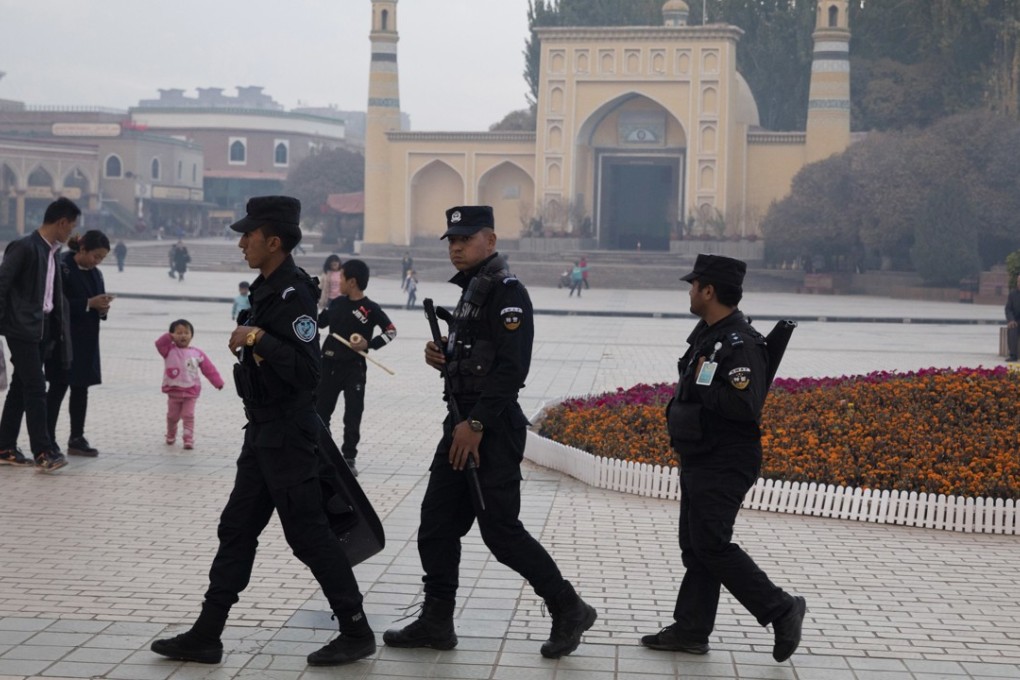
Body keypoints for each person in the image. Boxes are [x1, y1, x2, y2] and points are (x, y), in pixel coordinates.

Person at [150, 196, 376, 667]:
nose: (241, 243)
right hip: (263, 432)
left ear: (274, 241)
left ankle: (356, 630)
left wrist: (257, 338)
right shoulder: (265, 289)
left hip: (290, 435)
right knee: (236, 529)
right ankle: (206, 634)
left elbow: (307, 370)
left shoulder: (293, 294)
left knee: (309, 535)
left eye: (248, 235)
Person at [383, 205, 596, 659]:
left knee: (501, 532)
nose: (457, 247)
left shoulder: (507, 292)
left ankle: (568, 607)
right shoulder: (472, 293)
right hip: (459, 425)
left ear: (491, 241)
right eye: (452, 241)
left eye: (466, 239)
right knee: (436, 524)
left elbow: (511, 369)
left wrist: (477, 424)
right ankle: (437, 620)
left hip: (489, 430)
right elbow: (478, 357)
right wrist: (444, 354)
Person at [643, 253, 806, 663]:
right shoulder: (709, 335)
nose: (691, 291)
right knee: (695, 547)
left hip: (726, 459)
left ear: (709, 290)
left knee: (711, 545)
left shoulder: (740, 343)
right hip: (701, 456)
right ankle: (691, 630)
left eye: (694, 285)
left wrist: (705, 386)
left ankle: (780, 609)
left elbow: (745, 406)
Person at [0, 197, 77, 472]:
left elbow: (51, 295)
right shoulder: (24, 247)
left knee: (22, 386)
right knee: (36, 387)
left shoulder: (51, 251)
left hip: (42, 329)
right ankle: (43, 450)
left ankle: (5, 445)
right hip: (21, 329)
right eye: (70, 227)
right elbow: (2, 284)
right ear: (61, 222)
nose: (71, 233)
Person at [315, 258, 396, 477]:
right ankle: (325, 452)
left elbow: (391, 332)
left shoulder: (370, 309)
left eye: (341, 277)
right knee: (321, 411)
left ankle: (349, 457)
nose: (338, 281)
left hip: (354, 369)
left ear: (352, 281)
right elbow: (317, 324)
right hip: (329, 365)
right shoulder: (336, 303)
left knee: (353, 415)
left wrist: (368, 344)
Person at [45, 230, 113, 458]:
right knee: (57, 388)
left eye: (102, 258)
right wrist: (87, 303)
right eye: (96, 256)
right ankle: (47, 439)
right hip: (63, 340)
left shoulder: (96, 274)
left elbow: (97, 304)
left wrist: (102, 307)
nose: (97, 262)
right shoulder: (62, 267)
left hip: (87, 341)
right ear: (82, 249)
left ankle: (76, 437)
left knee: (81, 388)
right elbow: (55, 303)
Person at [155, 319, 224, 449]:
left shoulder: (197, 354)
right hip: (173, 390)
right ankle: (170, 434)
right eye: (179, 333)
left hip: (191, 391)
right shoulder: (168, 351)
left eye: (186, 332)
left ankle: (188, 438)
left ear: (191, 335)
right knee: (172, 416)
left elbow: (209, 369)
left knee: (188, 415)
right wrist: (169, 337)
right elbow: (159, 344)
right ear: (172, 335)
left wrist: (217, 382)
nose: (183, 336)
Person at [1006, 277, 1020, 362]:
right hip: (1016, 320)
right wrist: (1011, 320)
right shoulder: (1012, 294)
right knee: (1012, 328)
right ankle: (1013, 355)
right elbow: (1008, 309)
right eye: (1018, 281)